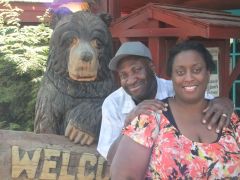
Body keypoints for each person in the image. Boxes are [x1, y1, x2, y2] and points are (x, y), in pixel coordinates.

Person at [110, 41, 240, 179]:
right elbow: (121, 173)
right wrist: (128, 126)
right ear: (171, 77)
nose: (189, 78)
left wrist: (227, 102)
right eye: (180, 72)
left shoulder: (226, 117)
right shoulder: (149, 118)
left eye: (196, 70)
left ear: (208, 73)